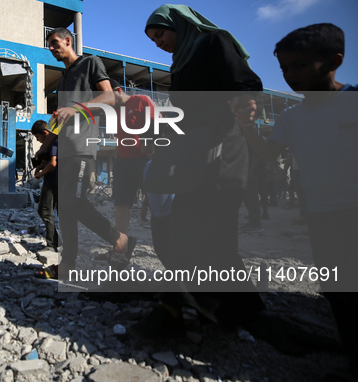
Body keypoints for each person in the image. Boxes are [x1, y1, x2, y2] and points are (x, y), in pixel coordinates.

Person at [131, 4, 265, 338]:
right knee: (199, 230)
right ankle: (230, 313)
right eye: (152, 39)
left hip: (224, 146)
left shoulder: (214, 42)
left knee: (202, 227)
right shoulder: (180, 64)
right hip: (195, 150)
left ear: (179, 25)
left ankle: (180, 312)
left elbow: (245, 83)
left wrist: (244, 106)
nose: (158, 43)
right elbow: (183, 114)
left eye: (160, 34)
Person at [238, 23, 358, 379]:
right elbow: (265, 155)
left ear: (335, 60)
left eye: (300, 66)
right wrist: (247, 127)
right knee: (338, 293)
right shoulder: (291, 117)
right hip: (321, 216)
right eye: (285, 69)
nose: (291, 75)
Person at [38, 27, 136, 280]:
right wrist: (44, 147)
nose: (51, 48)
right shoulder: (63, 80)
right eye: (49, 44)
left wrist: (79, 107)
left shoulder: (90, 63)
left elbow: (109, 97)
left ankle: (120, 239)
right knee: (65, 210)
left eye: (54, 42)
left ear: (68, 41)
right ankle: (68, 265)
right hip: (66, 150)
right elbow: (58, 121)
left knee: (74, 202)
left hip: (83, 148)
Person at [109, 79, 153, 237]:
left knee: (156, 200)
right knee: (121, 204)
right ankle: (121, 247)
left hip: (143, 160)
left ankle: (169, 241)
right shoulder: (114, 112)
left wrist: (150, 147)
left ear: (118, 91)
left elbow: (159, 124)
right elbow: (118, 137)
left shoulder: (142, 101)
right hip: (122, 162)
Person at [31, 120, 58, 251]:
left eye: (38, 137)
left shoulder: (54, 144)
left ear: (45, 133)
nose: (38, 140)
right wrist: (39, 166)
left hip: (53, 182)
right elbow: (47, 163)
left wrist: (40, 174)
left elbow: (53, 164)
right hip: (50, 181)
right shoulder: (48, 147)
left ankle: (51, 244)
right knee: (42, 210)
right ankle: (55, 239)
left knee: (46, 212)